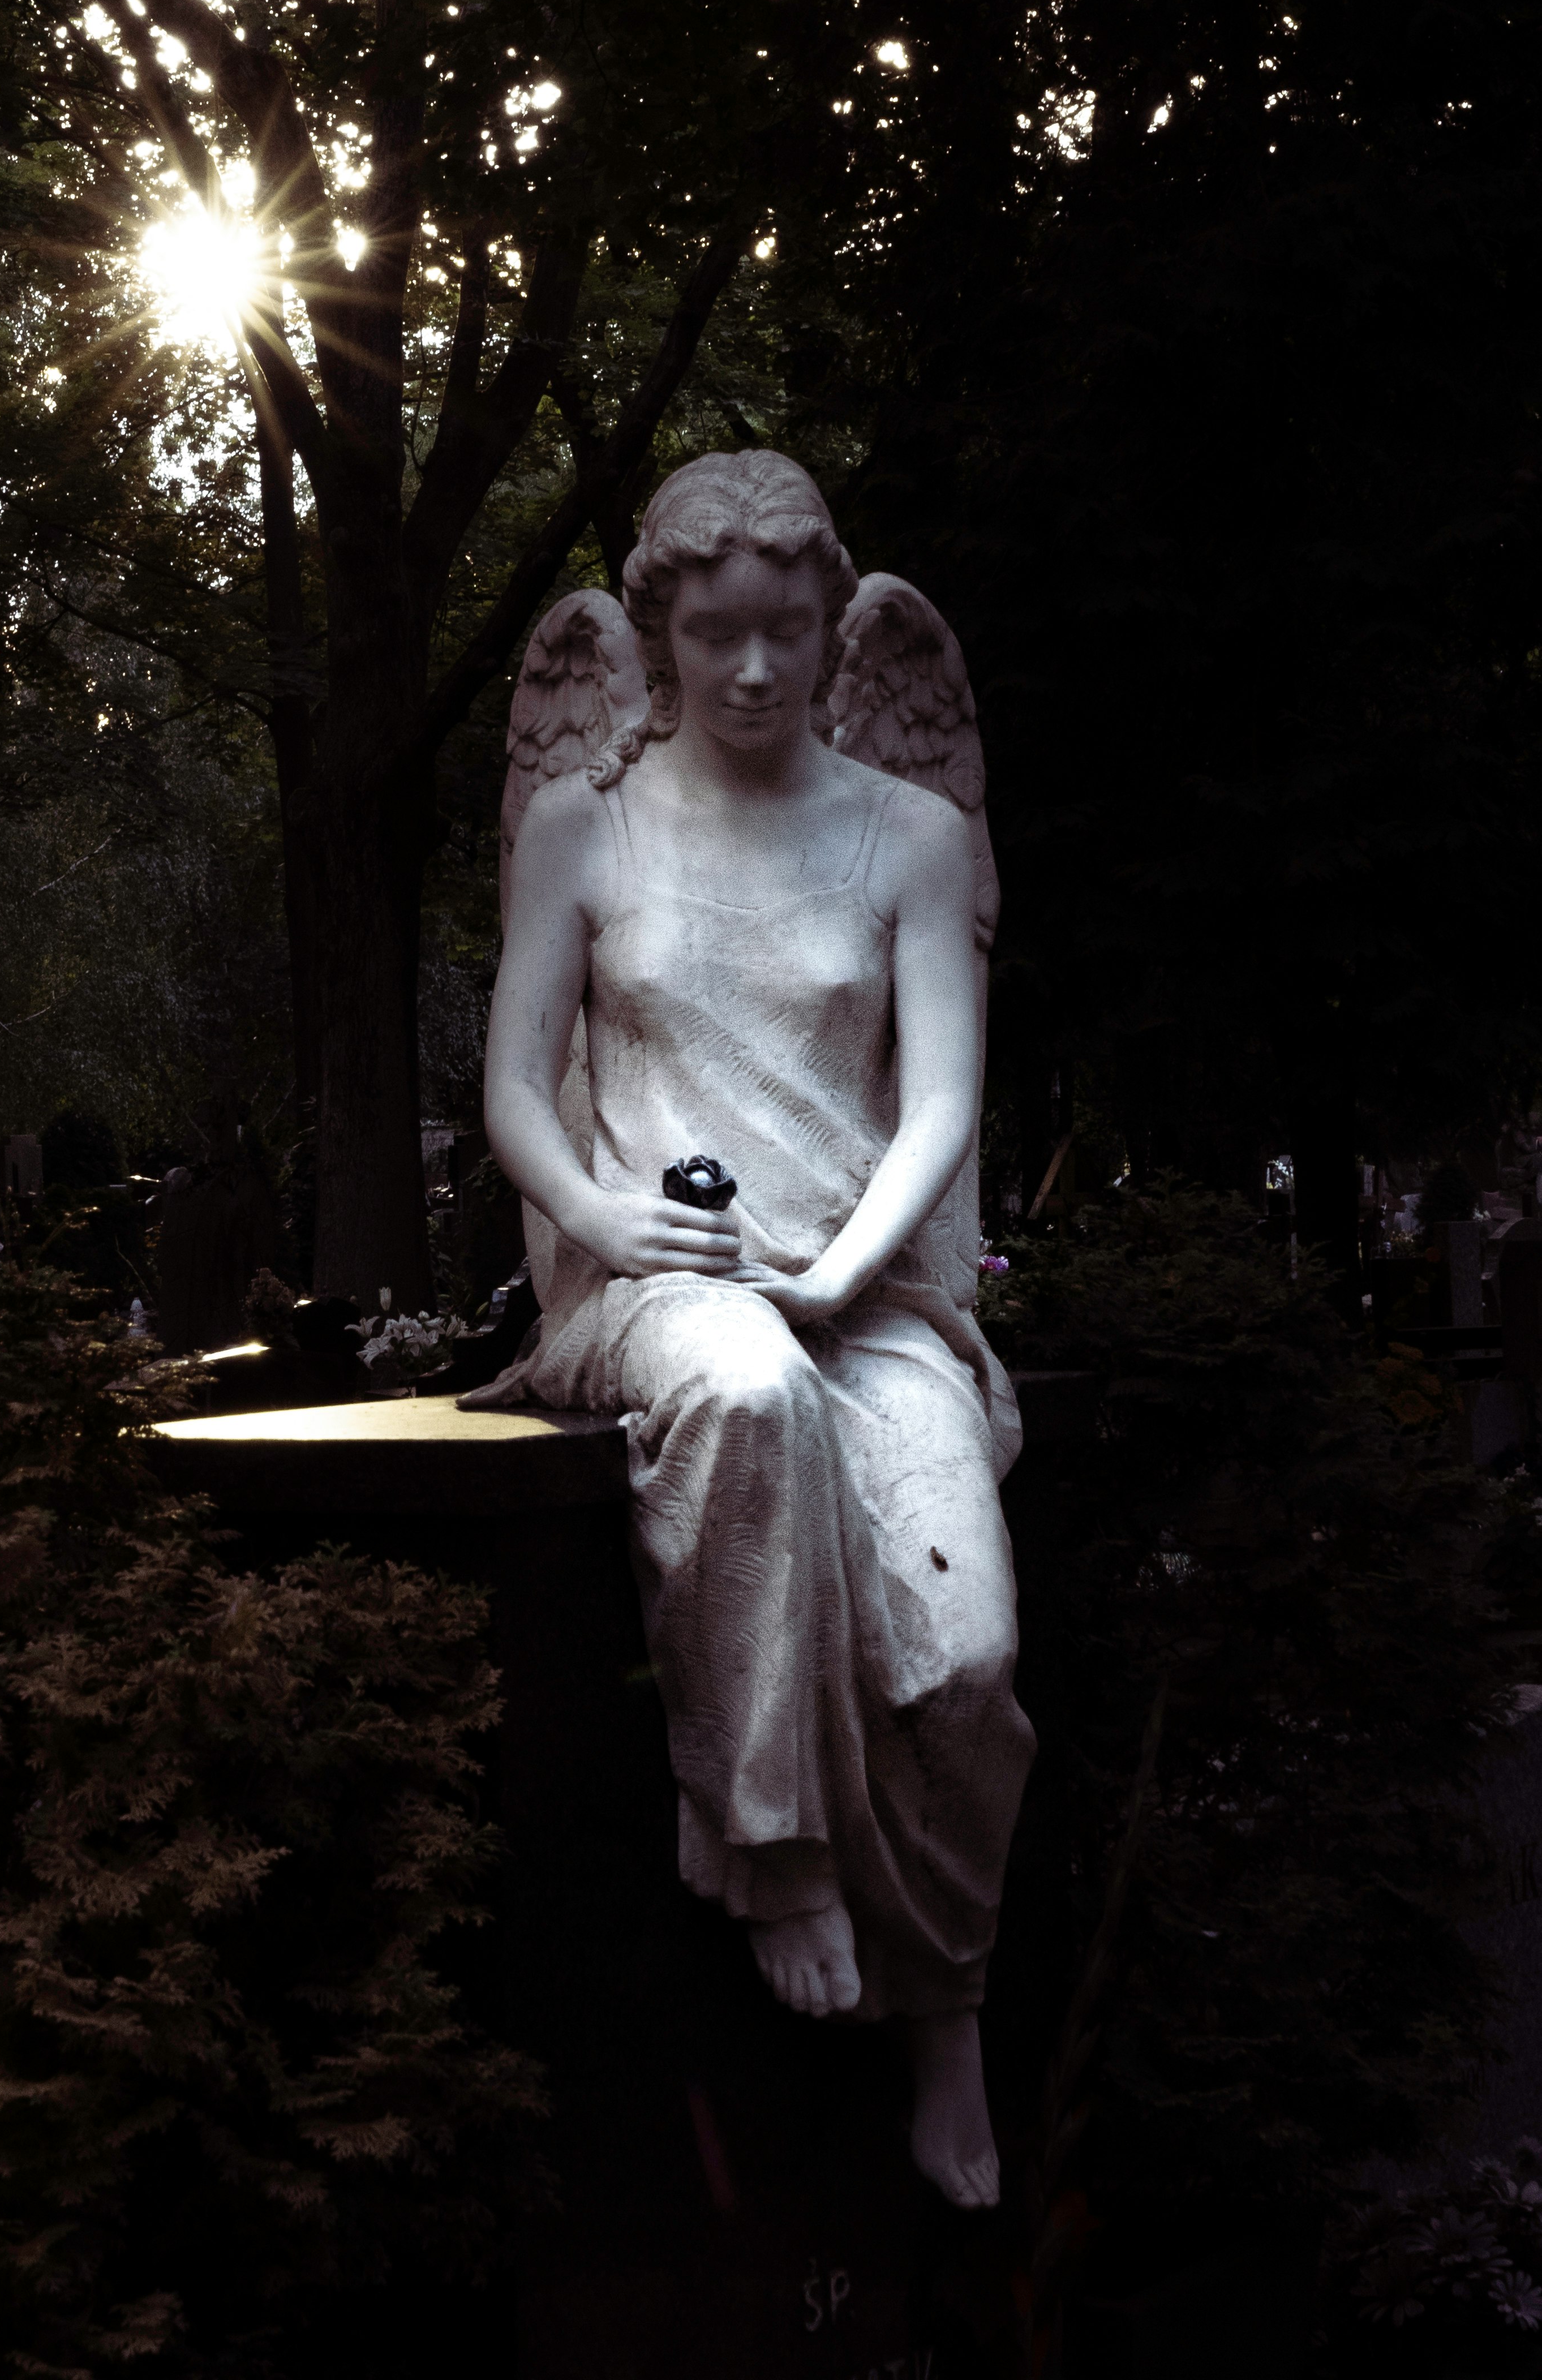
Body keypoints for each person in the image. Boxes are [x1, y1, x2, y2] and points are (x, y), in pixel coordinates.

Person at [481, 450, 1033, 2208]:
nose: (752, 671)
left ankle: (945, 2012)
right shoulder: (589, 825)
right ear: (656, 640)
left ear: (826, 625)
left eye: (786, 633)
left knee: (963, 1656)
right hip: (656, 1294)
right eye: (713, 637)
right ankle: (772, 1843)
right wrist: (598, 1214)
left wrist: (839, 1272)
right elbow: (507, 1086)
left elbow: (939, 1105)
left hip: (869, 1298)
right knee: (741, 1394)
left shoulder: (913, 834)